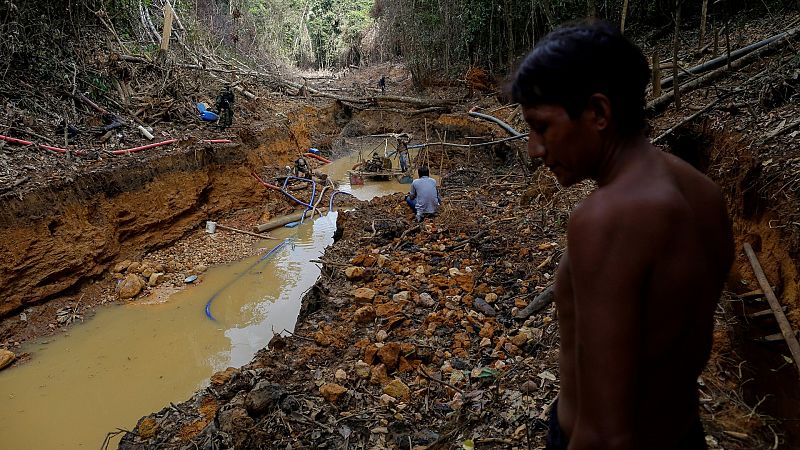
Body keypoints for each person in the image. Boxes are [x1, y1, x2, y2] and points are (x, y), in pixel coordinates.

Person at [511, 21, 733, 450]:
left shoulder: (608, 218)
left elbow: (606, 435)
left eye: (542, 128)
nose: (534, 150)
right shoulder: (702, 192)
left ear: (598, 113)